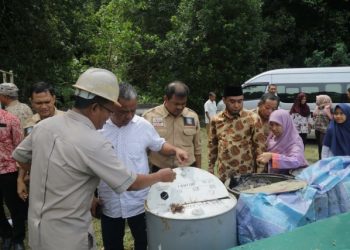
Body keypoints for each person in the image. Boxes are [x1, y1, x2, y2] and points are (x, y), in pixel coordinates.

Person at [12, 68, 176, 250]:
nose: (108, 118)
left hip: (38, 231)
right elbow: (129, 183)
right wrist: (160, 176)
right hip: (70, 236)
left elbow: (21, 157)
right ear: (95, 107)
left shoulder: (44, 126)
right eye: (109, 111)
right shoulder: (94, 141)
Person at [95, 83, 188, 250]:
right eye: (124, 111)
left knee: (144, 242)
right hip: (109, 201)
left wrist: (175, 150)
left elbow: (158, 144)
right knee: (112, 245)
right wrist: (91, 197)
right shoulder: (99, 128)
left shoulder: (142, 125)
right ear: (112, 105)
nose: (129, 115)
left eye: (133, 110)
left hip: (139, 201)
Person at [208, 85, 266, 182]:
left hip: (246, 173)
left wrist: (259, 172)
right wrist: (210, 167)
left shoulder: (253, 118)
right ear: (224, 100)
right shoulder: (216, 119)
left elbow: (260, 147)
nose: (236, 105)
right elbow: (212, 145)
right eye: (232, 101)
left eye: (240, 101)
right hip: (224, 173)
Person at [143, 81, 201, 171]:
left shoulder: (192, 116)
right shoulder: (150, 116)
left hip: (187, 169)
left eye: (183, 103)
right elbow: (143, 148)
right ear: (166, 99)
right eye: (176, 104)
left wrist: (199, 171)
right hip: (159, 169)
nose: (180, 107)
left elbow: (197, 148)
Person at [0, 109, 26, 250]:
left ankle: (18, 238)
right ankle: (6, 234)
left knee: (15, 206)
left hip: (8, 169)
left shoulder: (10, 119)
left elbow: (20, 146)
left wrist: (21, 175)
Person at [257, 109, 308, 175]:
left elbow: (297, 160)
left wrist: (272, 156)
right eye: (271, 124)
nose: (274, 128)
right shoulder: (273, 136)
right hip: (275, 176)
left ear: (286, 123)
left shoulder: (294, 141)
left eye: (278, 124)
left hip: (289, 179)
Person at [313, 95, 333, 160]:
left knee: (323, 145)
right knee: (319, 145)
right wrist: (317, 108)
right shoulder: (318, 107)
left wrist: (327, 112)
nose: (316, 101)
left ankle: (324, 159)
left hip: (324, 130)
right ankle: (320, 159)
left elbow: (332, 119)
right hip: (317, 129)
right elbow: (314, 115)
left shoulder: (328, 107)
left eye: (318, 100)